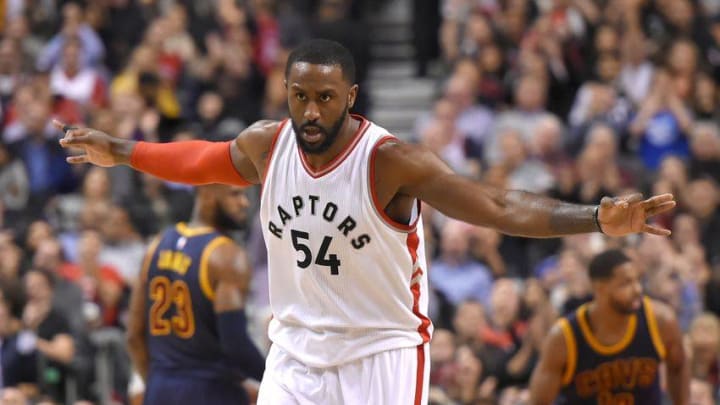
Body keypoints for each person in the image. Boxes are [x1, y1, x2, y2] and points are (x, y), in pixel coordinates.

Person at [57, 39, 676, 404]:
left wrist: (596, 218)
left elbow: (500, 207)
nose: (311, 110)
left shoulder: (389, 163)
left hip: (380, 349)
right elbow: (200, 161)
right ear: (287, 91)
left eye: (326, 97)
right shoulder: (266, 146)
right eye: (300, 96)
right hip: (296, 349)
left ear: (351, 96)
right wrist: (121, 150)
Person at [125, 185, 264, 405]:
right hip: (212, 390)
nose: (244, 203)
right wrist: (273, 379)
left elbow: (133, 334)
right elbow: (236, 346)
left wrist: (155, 383)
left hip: (160, 388)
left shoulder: (156, 245)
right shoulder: (226, 255)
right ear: (207, 193)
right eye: (234, 194)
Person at [528, 249, 689, 404]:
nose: (637, 289)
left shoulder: (660, 320)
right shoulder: (564, 337)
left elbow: (677, 368)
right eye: (626, 283)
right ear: (600, 288)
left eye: (637, 280)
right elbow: (539, 401)